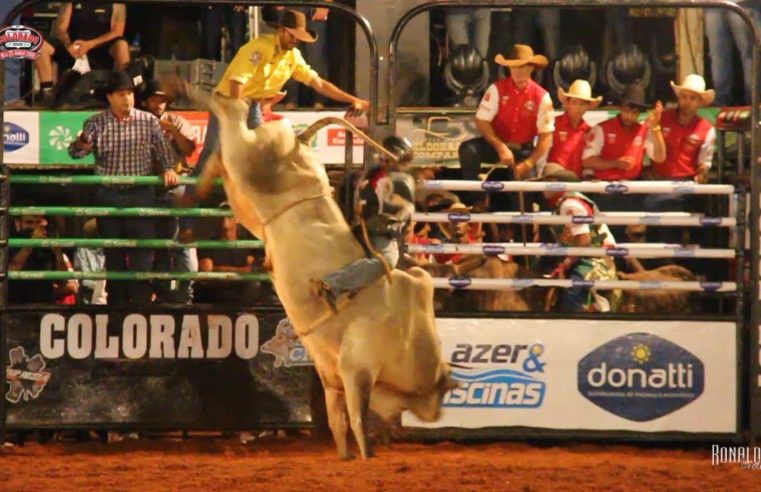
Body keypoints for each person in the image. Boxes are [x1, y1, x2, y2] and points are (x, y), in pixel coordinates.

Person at [180, 9, 368, 237]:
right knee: (210, 154)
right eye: (292, 35)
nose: (296, 40)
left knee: (263, 160)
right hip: (230, 105)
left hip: (253, 105)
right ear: (281, 30)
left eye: (298, 37)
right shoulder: (258, 49)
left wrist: (352, 99)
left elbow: (318, 83)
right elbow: (236, 84)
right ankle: (186, 222)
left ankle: (263, 223)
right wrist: (237, 119)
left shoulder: (292, 57)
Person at [68, 71, 177, 304]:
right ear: (110, 97)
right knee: (113, 255)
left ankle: (140, 306)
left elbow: (166, 153)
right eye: (121, 94)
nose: (127, 98)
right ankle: (116, 309)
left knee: (142, 255)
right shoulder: (96, 123)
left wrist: (169, 169)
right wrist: (82, 143)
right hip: (110, 194)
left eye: (129, 94)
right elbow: (76, 153)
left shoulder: (149, 122)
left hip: (140, 194)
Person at [309, 136, 415, 313]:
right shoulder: (399, 180)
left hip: (361, 227)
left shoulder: (371, 174)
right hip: (379, 231)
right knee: (387, 261)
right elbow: (402, 212)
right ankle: (331, 284)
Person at [457, 44, 554, 210]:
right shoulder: (497, 89)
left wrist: (529, 163)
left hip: (523, 151)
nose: (518, 71)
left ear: (531, 68)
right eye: (514, 66)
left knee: (523, 198)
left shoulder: (542, 97)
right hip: (496, 145)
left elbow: (546, 137)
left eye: (522, 66)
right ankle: (478, 199)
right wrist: (500, 146)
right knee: (468, 150)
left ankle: (522, 233)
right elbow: (481, 120)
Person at [140, 79, 198, 303]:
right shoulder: (140, 122)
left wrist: (172, 130)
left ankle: (187, 292)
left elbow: (190, 150)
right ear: (146, 102)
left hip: (178, 185)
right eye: (154, 100)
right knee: (159, 245)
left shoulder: (177, 121)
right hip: (149, 186)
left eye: (162, 100)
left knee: (183, 242)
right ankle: (162, 292)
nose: (158, 104)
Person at [643, 74, 716, 246]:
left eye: (692, 98)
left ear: (700, 102)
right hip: (658, 182)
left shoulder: (707, 129)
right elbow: (650, 151)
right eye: (683, 96)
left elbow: (704, 161)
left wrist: (702, 173)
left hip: (686, 186)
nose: (686, 102)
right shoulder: (661, 118)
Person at [538, 163, 616, 313]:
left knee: (573, 292)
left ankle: (575, 320)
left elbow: (584, 240)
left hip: (595, 260)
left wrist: (566, 263)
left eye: (545, 183)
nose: (542, 188)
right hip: (589, 255)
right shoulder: (567, 203)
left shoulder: (570, 205)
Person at [34, 2, 130, 107]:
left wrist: (90, 44)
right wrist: (69, 45)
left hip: (102, 49)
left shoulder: (117, 4)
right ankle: (47, 93)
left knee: (122, 45)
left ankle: (122, 90)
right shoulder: (71, 3)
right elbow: (61, 29)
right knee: (39, 42)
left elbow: (117, 31)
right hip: (75, 50)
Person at [582, 85, 650, 212]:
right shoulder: (602, 128)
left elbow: (659, 157)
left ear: (640, 113)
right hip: (607, 189)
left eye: (634, 112)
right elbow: (587, 160)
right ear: (619, 107)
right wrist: (615, 163)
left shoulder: (644, 131)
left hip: (634, 190)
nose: (629, 115)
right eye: (626, 110)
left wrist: (656, 129)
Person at [195, 202, 263, 306]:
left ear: (237, 218)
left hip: (241, 296)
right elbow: (207, 270)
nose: (225, 218)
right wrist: (240, 271)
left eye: (229, 214)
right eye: (221, 214)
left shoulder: (248, 244)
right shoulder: (208, 244)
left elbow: (253, 269)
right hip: (215, 297)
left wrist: (219, 269)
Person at [8, 208, 79, 304]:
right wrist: (31, 243)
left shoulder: (46, 244)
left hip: (44, 305)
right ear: (17, 222)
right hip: (16, 304)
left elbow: (62, 280)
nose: (34, 227)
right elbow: (11, 271)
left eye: (37, 222)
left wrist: (57, 252)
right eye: (29, 222)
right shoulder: (11, 242)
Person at [704, 5, 761, 105]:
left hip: (744, 3)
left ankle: (754, 107)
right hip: (713, 5)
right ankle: (721, 106)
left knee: (750, 56)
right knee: (717, 57)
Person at [546, 79, 600, 179]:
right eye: (575, 102)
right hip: (554, 180)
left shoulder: (590, 131)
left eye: (583, 104)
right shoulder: (553, 124)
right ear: (568, 103)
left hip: (578, 183)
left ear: (588, 106)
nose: (578, 107)